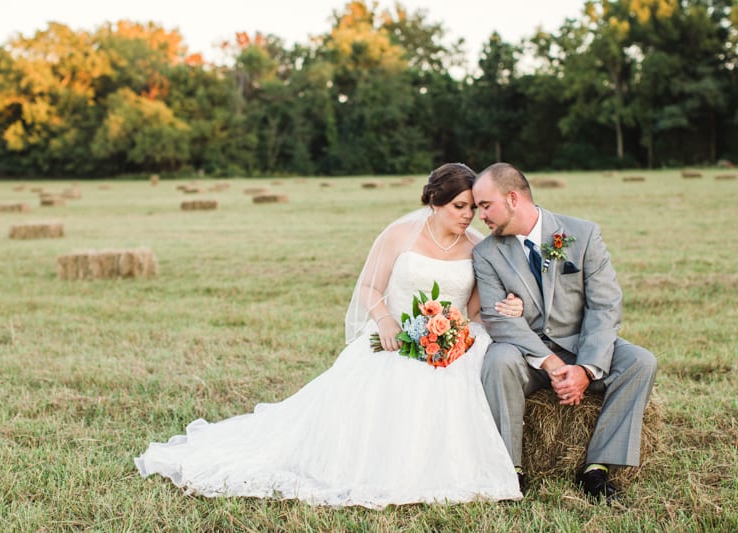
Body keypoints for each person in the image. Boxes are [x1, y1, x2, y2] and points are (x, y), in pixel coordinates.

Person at [135, 163, 526, 508]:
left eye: (473, 208)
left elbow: (474, 309)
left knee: (456, 380)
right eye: (460, 206)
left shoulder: (479, 247)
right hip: (395, 335)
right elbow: (370, 289)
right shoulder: (399, 235)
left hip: (449, 342)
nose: (468, 215)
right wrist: (388, 322)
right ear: (434, 202)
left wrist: (457, 333)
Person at [470, 162, 657, 502]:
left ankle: (597, 468)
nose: (479, 215)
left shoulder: (582, 235)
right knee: (498, 360)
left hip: (581, 344)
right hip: (528, 356)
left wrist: (586, 368)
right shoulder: (486, 253)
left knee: (641, 362)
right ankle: (509, 471)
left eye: (485, 205)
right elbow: (498, 319)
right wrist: (552, 364)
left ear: (513, 198)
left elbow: (605, 306)